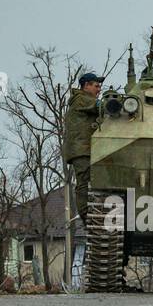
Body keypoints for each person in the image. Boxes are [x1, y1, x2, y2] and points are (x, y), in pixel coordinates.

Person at [62, 72, 103, 222]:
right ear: (86, 85)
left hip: (86, 149)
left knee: (90, 181)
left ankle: (93, 213)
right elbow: (102, 106)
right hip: (82, 150)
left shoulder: (83, 100)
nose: (99, 89)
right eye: (96, 86)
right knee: (84, 182)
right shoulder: (81, 99)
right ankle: (87, 215)